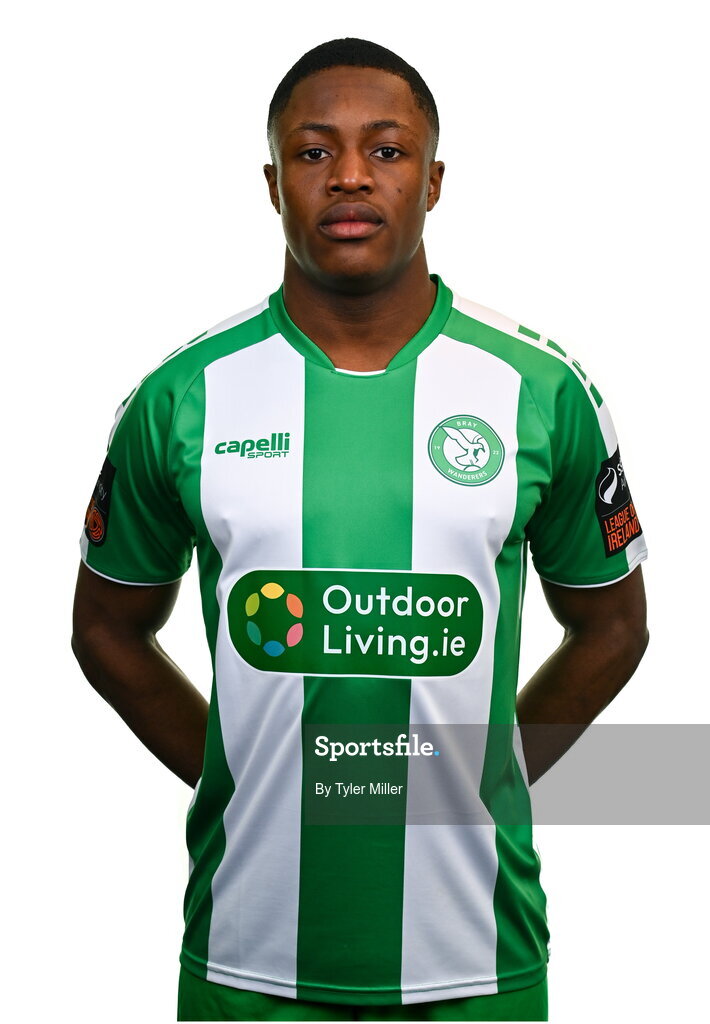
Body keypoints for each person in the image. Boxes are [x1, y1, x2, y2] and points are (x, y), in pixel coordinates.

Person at [72, 37, 649, 1023]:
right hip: (246, 960)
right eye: (311, 151)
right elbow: (106, 631)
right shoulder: (181, 398)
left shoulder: (539, 391)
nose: (347, 175)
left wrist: (468, 774)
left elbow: (612, 628)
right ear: (271, 183)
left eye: (383, 151)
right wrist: (243, 766)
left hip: (476, 960)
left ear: (432, 180)